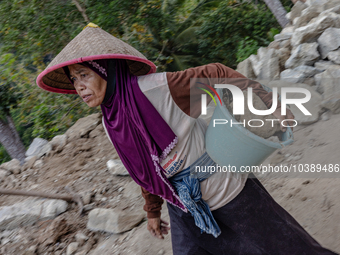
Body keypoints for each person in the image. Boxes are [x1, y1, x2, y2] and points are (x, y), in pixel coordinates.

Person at [37, 23, 338, 255]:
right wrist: (152, 211)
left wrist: (270, 104)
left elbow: (218, 74)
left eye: (84, 75)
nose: (79, 86)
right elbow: (146, 167)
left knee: (288, 248)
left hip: (227, 193)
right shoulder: (112, 118)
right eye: (74, 79)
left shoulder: (159, 90)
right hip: (182, 206)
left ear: (107, 71)